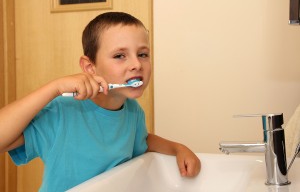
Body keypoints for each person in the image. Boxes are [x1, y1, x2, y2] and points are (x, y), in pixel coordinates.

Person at [0, 12, 200, 191]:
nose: (136, 64)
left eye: (142, 54)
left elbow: (141, 140)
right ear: (89, 67)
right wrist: (55, 87)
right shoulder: (62, 112)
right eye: (120, 56)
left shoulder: (132, 111)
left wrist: (178, 148)